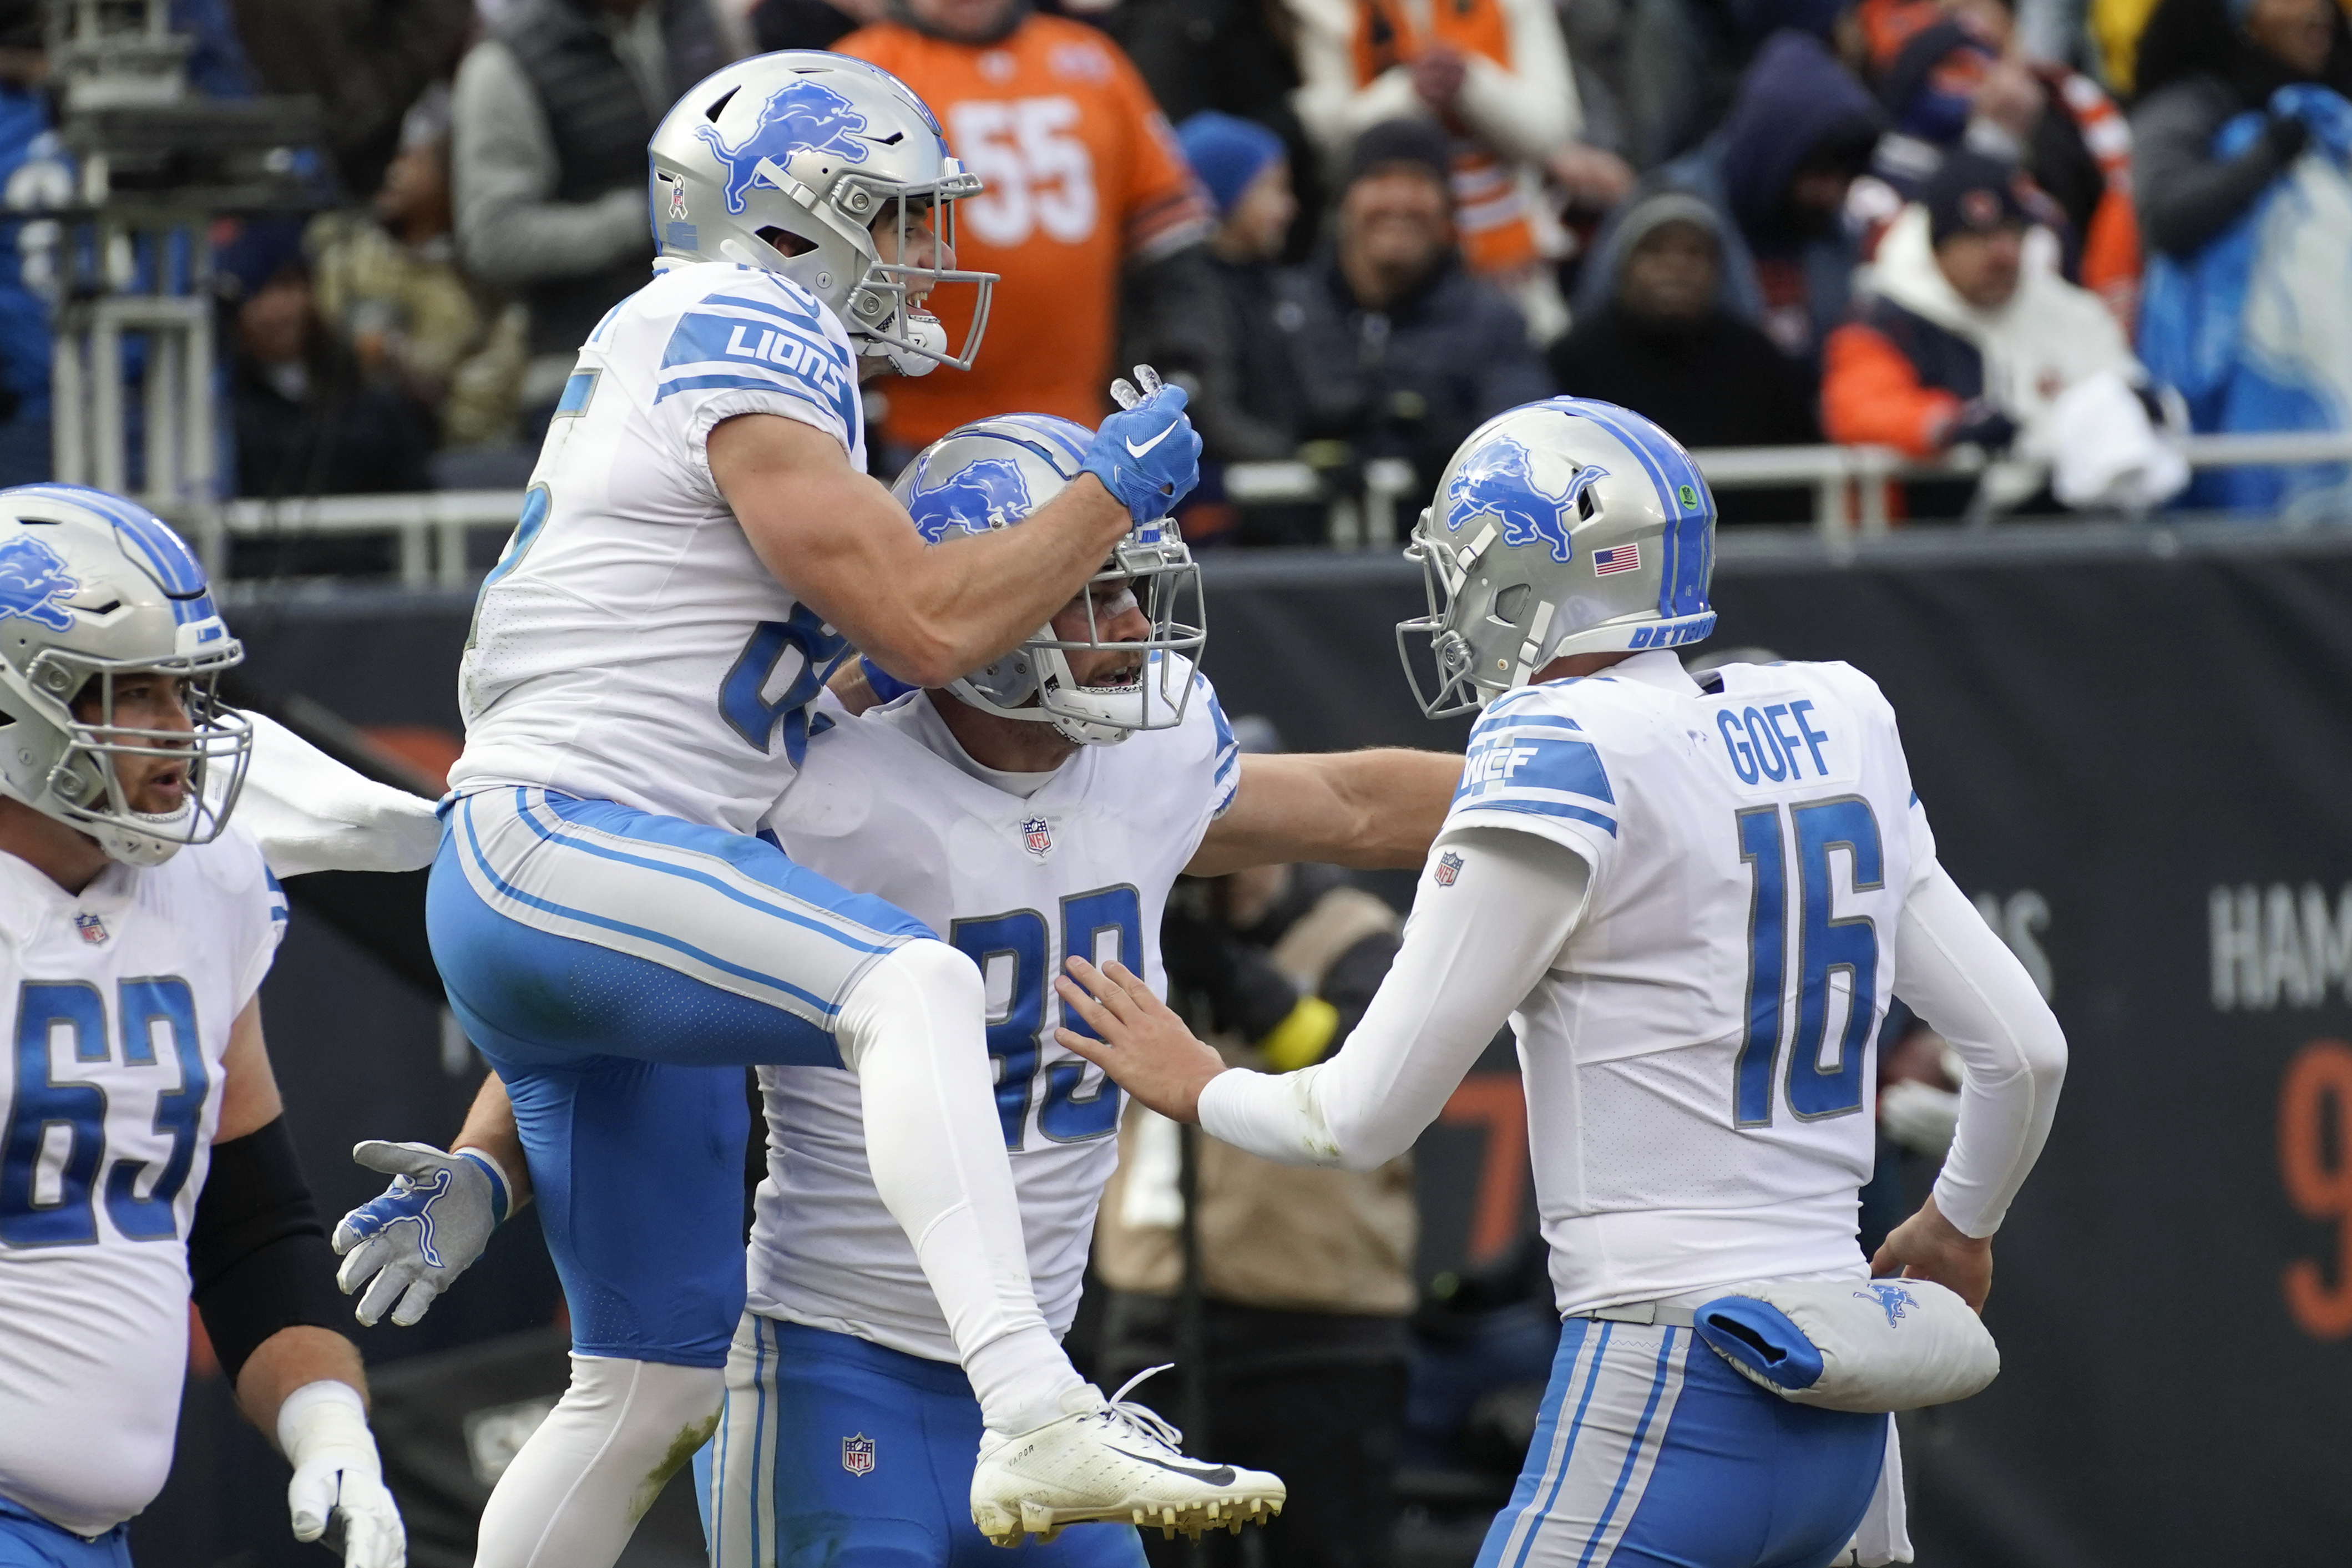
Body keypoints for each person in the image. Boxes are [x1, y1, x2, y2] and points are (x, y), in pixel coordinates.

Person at [335, 49, 1261, 1568]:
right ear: (779, 224)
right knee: (913, 982)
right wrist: (1101, 494)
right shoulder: (737, 320)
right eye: (888, 217)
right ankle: (1029, 1393)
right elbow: (922, 626)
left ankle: (1023, 1394)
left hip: (589, 886)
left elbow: (670, 916)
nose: (916, 256)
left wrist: (491, 1162)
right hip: (570, 838)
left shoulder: (726, 373)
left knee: (641, 1389)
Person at [343, 412, 1465, 1567]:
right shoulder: (818, 780)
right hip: (835, 1375)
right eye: (1094, 592)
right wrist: (489, 1156)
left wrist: (1574, 783)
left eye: (1134, 589)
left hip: (1049, 1385)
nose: (1134, 628)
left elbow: (1353, 804)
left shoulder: (1158, 759)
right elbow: (621, 968)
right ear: (988, 615)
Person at [1055, 396, 2070, 1568]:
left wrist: (1196, 1085)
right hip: (1849, 1398)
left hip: (1673, 1375)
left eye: (1466, 564)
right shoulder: (1832, 713)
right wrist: (1959, 1222)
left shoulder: (1557, 746)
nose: (1450, 601)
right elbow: (2023, 1051)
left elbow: (1359, 1116)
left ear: (1540, 573)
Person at [0, 484, 406, 1568]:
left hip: (91, 1536)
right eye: (130, 692)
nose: (178, 731)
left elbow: (248, 1218)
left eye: (185, 691)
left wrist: (328, 1425)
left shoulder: (208, 883)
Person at [1096, 806, 1419, 1568]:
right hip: (1156, 1312)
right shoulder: (1136, 934)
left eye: (1237, 849)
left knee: (1326, 1544)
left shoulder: (1357, 934)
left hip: (1315, 1322)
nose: (1220, 874)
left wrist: (1228, 971)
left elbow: (1343, 1067)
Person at [834, 0, 1216, 451]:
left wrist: (1181, 357)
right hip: (915, 425)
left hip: (1082, 417)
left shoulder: (1090, 57)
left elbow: (1167, 237)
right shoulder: (861, 72)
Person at [1824, 151, 2185, 514]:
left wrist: (2143, 406)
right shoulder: (1885, 319)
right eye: (1976, 238)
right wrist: (1948, 425)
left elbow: (2131, 389)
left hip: (2068, 535)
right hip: (1933, 542)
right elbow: (1858, 409)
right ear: (1937, 247)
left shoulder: (2068, 311)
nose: (2001, 255)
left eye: (2010, 233)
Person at [451, 0, 736, 432]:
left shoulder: (703, 22)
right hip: (591, 370)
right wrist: (650, 216)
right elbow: (494, 237)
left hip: (732, 350)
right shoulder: (506, 60)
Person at [2132, 0, 2352, 512]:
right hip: (2237, 380)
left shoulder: (2334, 112)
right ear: (2237, 17)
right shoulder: (2192, 106)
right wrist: (2267, 155)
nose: (2317, 11)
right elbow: (2166, 218)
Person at [1283, 0, 1607, 342]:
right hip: (1384, 266)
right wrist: (1408, 91)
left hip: (1509, 274)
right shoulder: (1327, 9)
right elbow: (1328, 148)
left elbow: (1552, 133)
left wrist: (1471, 83)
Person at [1276, 118, 1555, 515]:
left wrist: (1453, 451)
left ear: (1447, 211)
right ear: (1344, 201)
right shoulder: (1281, 307)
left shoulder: (1493, 322)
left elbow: (1526, 443)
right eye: (1379, 179)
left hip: (1440, 559)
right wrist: (1298, 453)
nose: (1399, 201)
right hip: (1288, 563)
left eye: (1419, 182)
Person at [1577, 30, 1884, 366]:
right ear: (1771, 156)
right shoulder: (1666, 209)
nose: (1833, 193)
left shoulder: (1830, 232)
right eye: (1819, 174)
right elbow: (1594, 345)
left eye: (1846, 178)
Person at [1546, 191, 1820, 524]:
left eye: (1695, 253)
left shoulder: (1761, 362)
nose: (1676, 267)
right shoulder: (1573, 361)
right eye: (1655, 251)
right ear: (1621, 264)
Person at [308, 92, 530, 452]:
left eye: (412, 158)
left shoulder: (486, 278)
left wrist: (419, 376)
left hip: (455, 450)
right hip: (348, 446)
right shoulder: (347, 257)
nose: (394, 171)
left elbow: (493, 387)